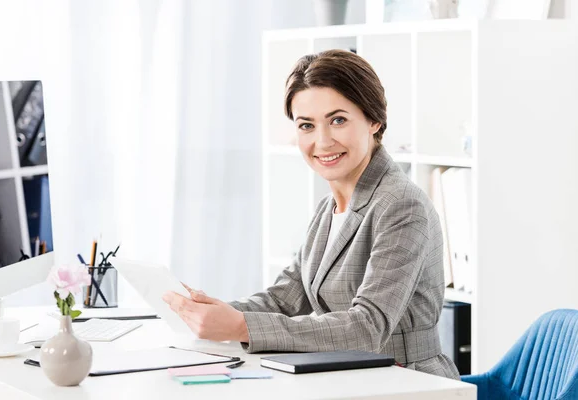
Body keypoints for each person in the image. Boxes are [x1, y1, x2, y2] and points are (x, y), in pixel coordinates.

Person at [163, 49, 460, 379]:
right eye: (307, 125)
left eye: (338, 120)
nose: (322, 141)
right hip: (348, 375)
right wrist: (220, 312)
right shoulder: (328, 207)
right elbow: (286, 299)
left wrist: (242, 326)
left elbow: (367, 327)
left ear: (374, 120)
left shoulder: (401, 205)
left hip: (408, 379)